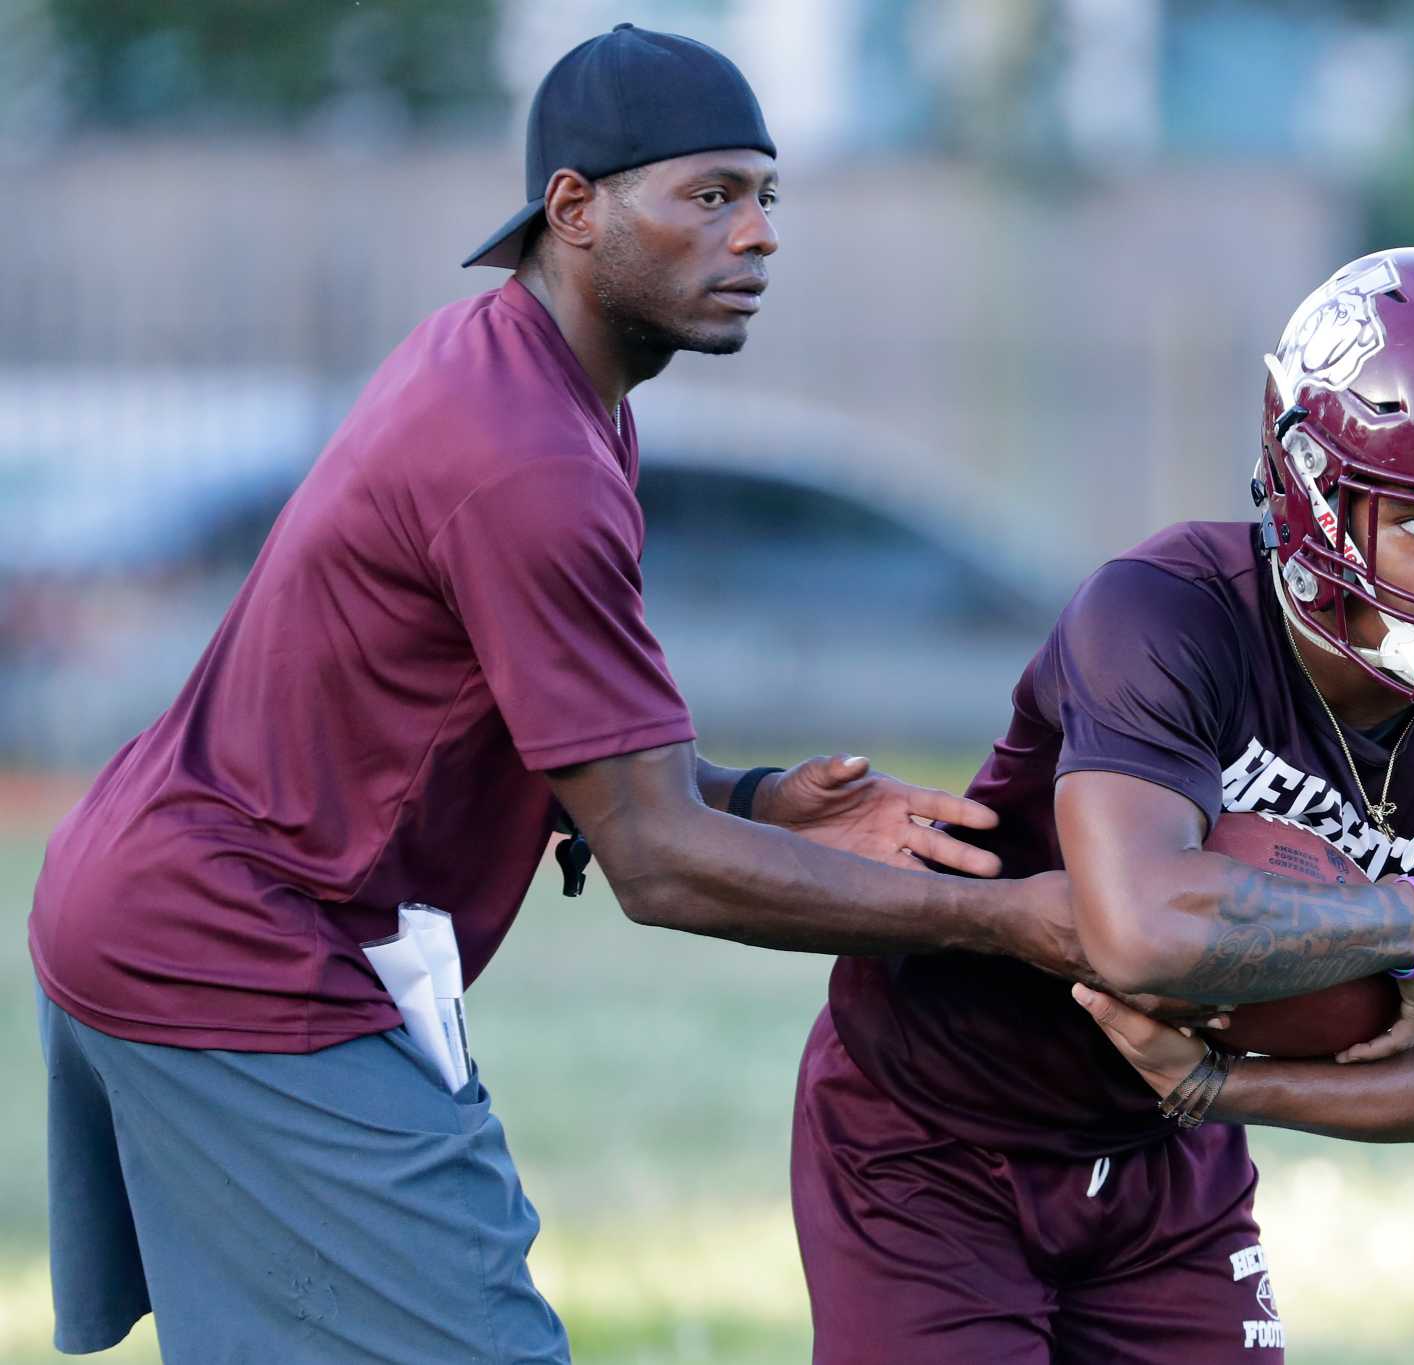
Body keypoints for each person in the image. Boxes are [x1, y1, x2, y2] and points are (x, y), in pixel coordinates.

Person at [28, 26, 1093, 1362]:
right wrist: (1010, 924)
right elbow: (658, 863)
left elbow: (584, 770)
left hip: (181, 904)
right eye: (710, 195)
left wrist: (757, 800)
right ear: (573, 209)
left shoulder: (525, 376)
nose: (759, 234)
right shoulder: (524, 450)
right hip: (234, 948)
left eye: (768, 197)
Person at [794, 247, 1414, 1362]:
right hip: (935, 1129)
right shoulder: (1166, 609)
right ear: (1313, 494)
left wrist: (1229, 1090)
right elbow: (1143, 930)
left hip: (1164, 1165)